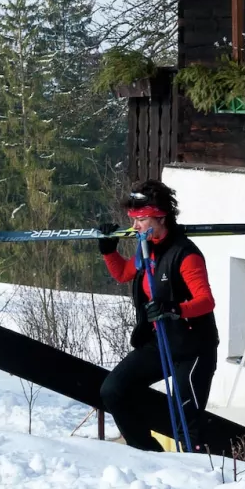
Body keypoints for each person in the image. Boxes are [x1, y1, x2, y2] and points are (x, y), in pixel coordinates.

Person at [97, 179, 219, 450]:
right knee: (113, 390)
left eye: (141, 219)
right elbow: (123, 273)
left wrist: (174, 308)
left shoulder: (185, 255)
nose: (135, 226)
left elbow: (206, 301)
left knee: (186, 422)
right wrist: (109, 251)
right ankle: (148, 454)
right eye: (132, 219)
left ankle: (195, 468)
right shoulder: (147, 248)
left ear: (161, 217)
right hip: (161, 341)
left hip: (193, 348)